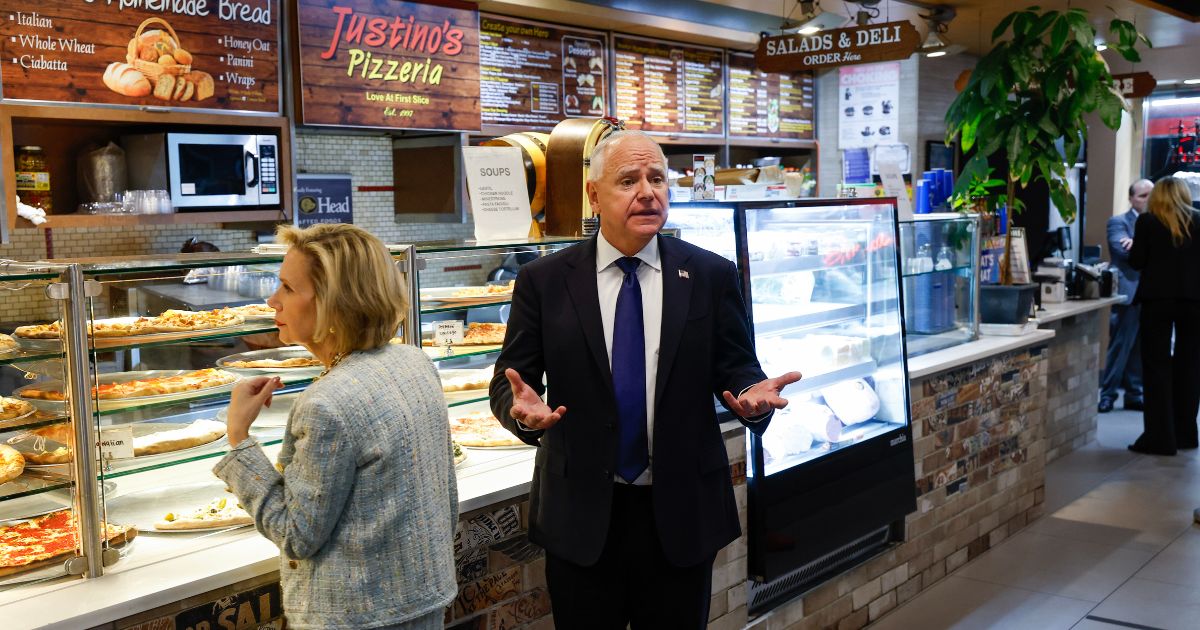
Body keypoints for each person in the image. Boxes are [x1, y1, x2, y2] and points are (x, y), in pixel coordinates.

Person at [488, 130, 801, 628]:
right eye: (628, 180)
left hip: (679, 512)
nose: (647, 191)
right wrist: (521, 413)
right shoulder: (544, 282)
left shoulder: (709, 275)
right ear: (594, 195)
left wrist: (750, 394)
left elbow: (737, 366)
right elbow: (510, 382)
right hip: (582, 515)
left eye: (657, 178)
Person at [214, 223, 458, 629]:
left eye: (288, 289)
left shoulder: (327, 403)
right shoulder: (414, 362)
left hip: (356, 615)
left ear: (334, 303)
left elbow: (296, 534)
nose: (273, 301)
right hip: (424, 598)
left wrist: (239, 437)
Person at [1127, 177, 1200, 455]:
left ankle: (1160, 438)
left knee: (1156, 366)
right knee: (1190, 364)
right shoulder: (1199, 220)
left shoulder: (1147, 222)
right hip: (1194, 301)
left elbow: (1137, 262)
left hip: (1157, 300)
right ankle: (1186, 433)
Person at [1098, 179, 1152, 413]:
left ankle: (1134, 394)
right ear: (1131, 198)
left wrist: (1138, 245)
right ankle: (1107, 395)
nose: (1147, 200)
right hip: (1128, 293)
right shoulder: (1118, 222)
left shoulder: (1156, 222)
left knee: (1140, 348)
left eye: (1151, 194)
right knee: (1120, 346)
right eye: (1142, 196)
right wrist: (1147, 248)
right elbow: (1122, 252)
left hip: (1149, 293)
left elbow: (1154, 254)